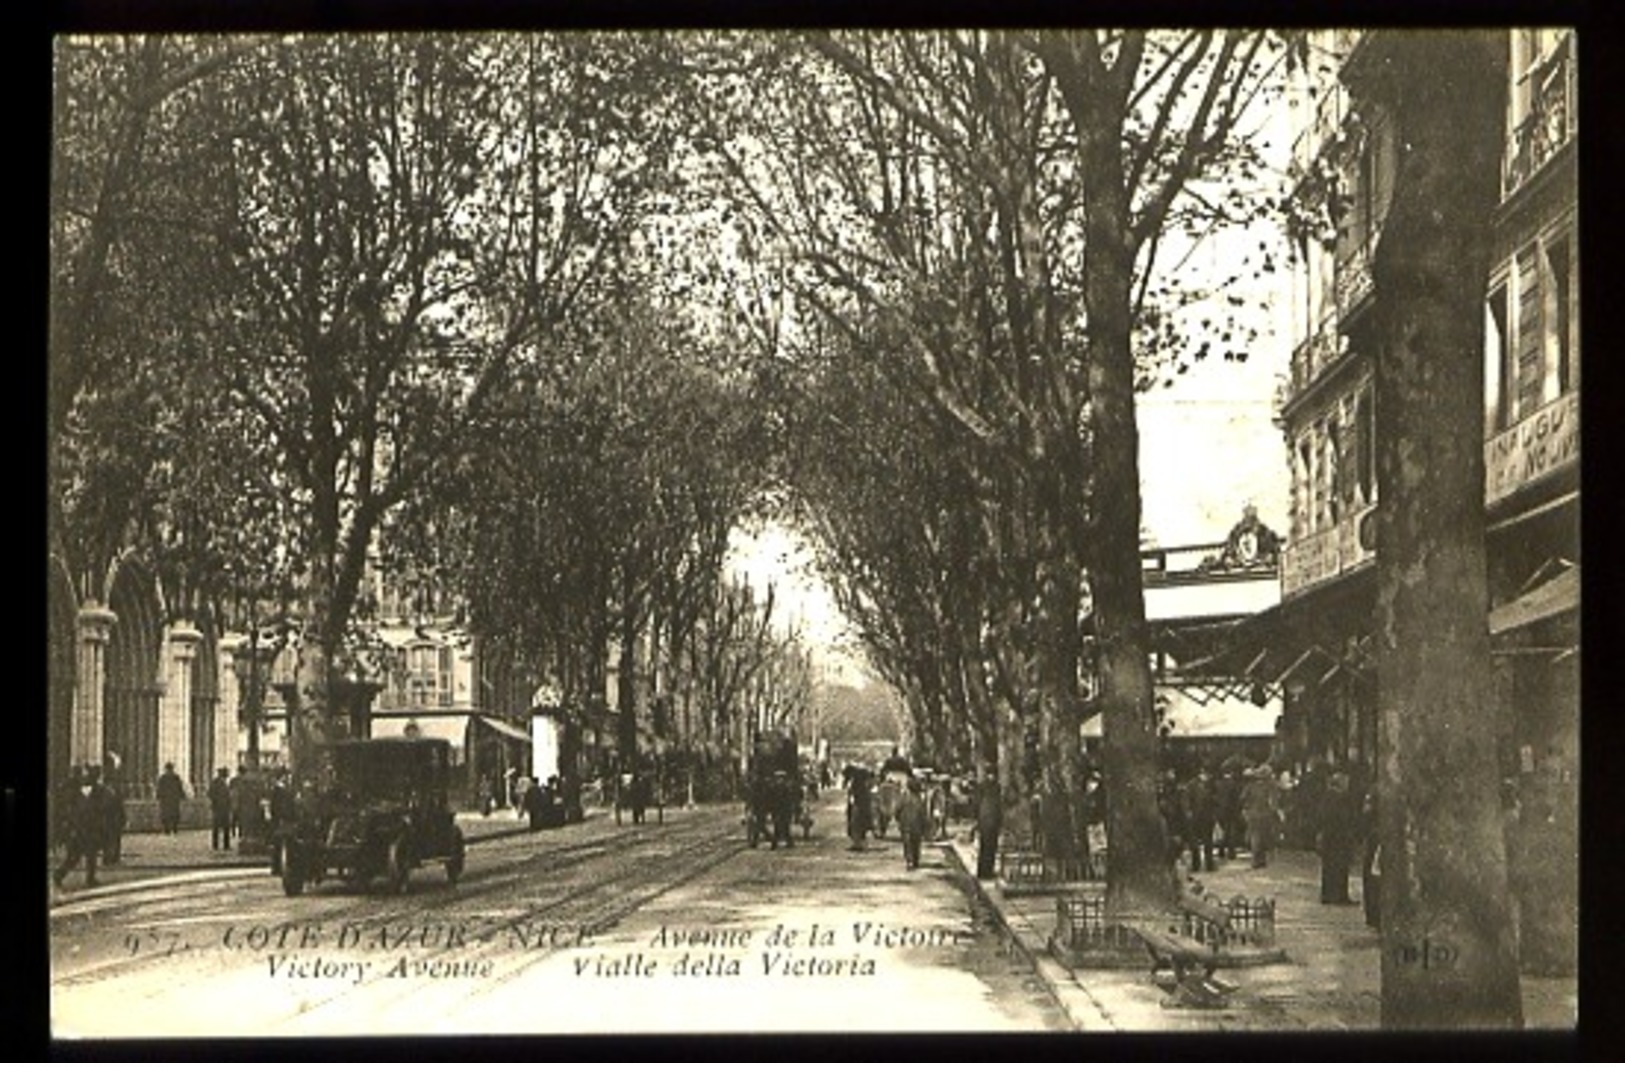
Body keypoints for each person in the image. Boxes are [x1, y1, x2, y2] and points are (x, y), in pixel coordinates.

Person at [54, 765, 108, 890]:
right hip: (79, 829)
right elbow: (72, 811)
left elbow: (99, 810)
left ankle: (90, 878)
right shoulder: (78, 792)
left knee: (90, 855)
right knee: (75, 856)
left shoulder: (96, 791)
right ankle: (58, 875)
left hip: (89, 829)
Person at [1317, 770, 1358, 904]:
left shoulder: (1326, 797)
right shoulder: (1341, 798)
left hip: (1329, 836)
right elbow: (1345, 818)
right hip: (1340, 837)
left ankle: (1327, 894)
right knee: (1340, 866)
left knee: (1328, 866)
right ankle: (1340, 895)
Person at [1241, 764, 1281, 869]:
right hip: (1265, 814)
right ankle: (1258, 860)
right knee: (1261, 837)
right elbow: (1273, 802)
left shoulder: (1250, 785)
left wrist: (1246, 808)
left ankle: (1258, 860)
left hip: (1252, 814)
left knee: (1255, 836)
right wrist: (1275, 812)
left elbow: (1243, 798)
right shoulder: (1270, 786)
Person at [1179, 766, 1218, 873]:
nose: (1207, 776)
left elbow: (1216, 800)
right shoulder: (1191, 785)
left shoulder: (1210, 785)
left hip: (1207, 817)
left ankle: (1209, 864)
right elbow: (1186, 800)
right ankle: (1196, 864)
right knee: (1194, 843)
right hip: (1196, 817)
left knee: (1208, 842)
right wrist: (1188, 812)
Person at [897, 776, 930, 870]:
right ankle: (915, 860)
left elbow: (898, 808)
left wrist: (898, 818)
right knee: (916, 842)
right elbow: (924, 813)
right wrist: (925, 825)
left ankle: (910, 860)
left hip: (906, 823)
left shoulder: (904, 797)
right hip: (917, 825)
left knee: (907, 843)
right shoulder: (920, 799)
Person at [100, 769, 127, 865]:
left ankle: (115, 857)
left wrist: (123, 818)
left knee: (116, 839)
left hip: (115, 819)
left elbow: (120, 806)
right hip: (107, 819)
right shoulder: (102, 792)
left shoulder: (116, 791)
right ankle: (107, 858)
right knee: (107, 839)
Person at [156, 762, 186, 834]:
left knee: (166, 814)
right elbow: (179, 788)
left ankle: (167, 829)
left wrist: (158, 796)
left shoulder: (163, 778)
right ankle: (174, 828)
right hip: (174, 799)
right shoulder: (176, 777)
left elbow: (160, 788)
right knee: (174, 813)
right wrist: (182, 795)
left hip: (166, 799)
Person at [208, 767, 233, 851]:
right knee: (219, 827)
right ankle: (218, 845)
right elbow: (210, 793)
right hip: (219, 807)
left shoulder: (222, 783)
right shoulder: (217, 783)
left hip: (222, 807)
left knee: (223, 827)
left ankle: (223, 845)